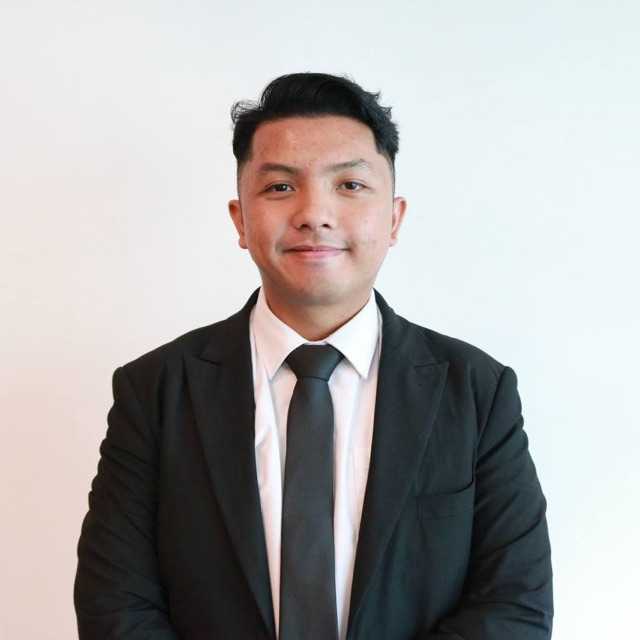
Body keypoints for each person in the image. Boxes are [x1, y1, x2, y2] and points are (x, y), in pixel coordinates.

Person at [74, 72, 553, 639]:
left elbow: (514, 605)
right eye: (280, 187)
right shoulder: (155, 389)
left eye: (349, 185)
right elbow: (116, 607)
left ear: (394, 218)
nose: (314, 213)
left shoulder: (476, 391)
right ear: (240, 220)